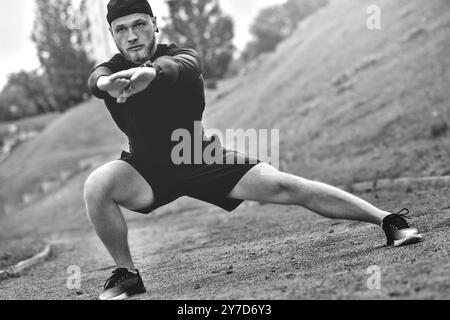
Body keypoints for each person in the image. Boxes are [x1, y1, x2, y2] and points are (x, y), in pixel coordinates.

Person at [86, 0, 423, 300]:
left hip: (196, 154)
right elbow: (96, 79)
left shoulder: (181, 56)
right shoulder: (113, 72)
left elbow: (179, 68)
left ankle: (388, 221)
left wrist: (151, 73)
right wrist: (104, 84)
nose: (132, 35)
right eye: (122, 29)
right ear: (114, 36)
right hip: (146, 169)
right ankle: (127, 275)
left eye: (140, 24)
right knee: (97, 185)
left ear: (154, 24)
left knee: (285, 185)